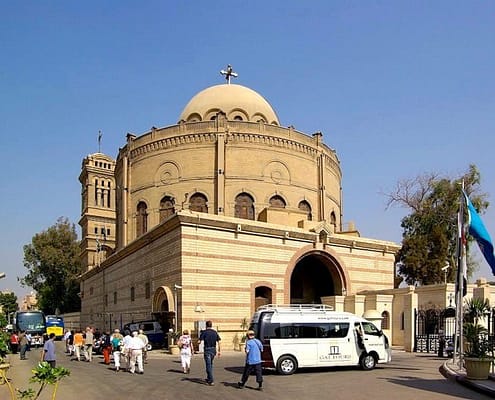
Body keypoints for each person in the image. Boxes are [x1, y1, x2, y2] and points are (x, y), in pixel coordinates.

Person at [198, 320, 221, 386]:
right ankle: (208, 378)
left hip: (207, 349)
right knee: (210, 364)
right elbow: (219, 342)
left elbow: (199, 342)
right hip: (213, 350)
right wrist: (219, 351)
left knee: (208, 365)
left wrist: (198, 340)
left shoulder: (204, 332)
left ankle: (211, 380)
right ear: (211, 325)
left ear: (206, 325)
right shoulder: (215, 332)